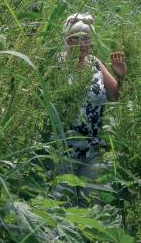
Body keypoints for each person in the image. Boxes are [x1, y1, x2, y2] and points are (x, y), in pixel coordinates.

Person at [53, 13, 126, 204]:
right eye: (76, 38)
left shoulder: (95, 63)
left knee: (92, 206)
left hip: (92, 149)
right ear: (66, 40)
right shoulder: (57, 63)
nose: (83, 43)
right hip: (63, 151)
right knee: (62, 205)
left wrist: (121, 77)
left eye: (86, 38)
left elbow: (116, 96)